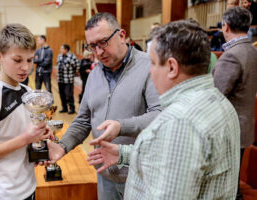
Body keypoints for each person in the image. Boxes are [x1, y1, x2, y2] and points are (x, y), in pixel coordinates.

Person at [87, 20, 240, 200]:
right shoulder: (217, 100)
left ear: (172, 67)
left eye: (153, 63)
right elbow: (174, 161)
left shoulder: (179, 122)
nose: (150, 71)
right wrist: (123, 153)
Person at [44, 12, 161, 200]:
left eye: (103, 43)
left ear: (122, 35)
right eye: (92, 46)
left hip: (141, 176)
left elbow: (161, 115)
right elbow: (83, 120)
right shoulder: (94, 75)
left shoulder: (150, 67)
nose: (98, 52)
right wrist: (62, 146)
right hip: (105, 175)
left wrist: (122, 126)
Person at [0, 23, 51, 200]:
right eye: (17, 60)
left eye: (30, 60)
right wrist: (25, 138)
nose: (25, 67)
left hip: (29, 188)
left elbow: (24, 136)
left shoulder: (28, 93)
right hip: (1, 194)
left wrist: (40, 138)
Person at [212, 6, 257, 200]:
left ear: (225, 26)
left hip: (227, 128)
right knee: (233, 181)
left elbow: (215, 94)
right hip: (243, 124)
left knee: (225, 185)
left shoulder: (232, 55)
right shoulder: (252, 50)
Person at [57, 44, 79, 114]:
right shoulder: (59, 56)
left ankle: (72, 108)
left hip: (68, 79)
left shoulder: (72, 56)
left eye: (61, 48)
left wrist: (73, 74)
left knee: (69, 95)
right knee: (62, 94)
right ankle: (64, 107)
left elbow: (77, 66)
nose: (60, 50)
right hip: (60, 79)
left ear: (66, 49)